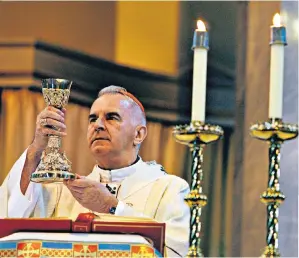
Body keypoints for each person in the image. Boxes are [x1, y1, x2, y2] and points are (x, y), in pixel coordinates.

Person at [0, 85, 190, 257]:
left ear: (139, 134)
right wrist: (36, 148)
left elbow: (175, 251)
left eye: (111, 117)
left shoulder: (170, 189)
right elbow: (11, 215)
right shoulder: (64, 192)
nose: (98, 125)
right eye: (93, 119)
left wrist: (112, 207)